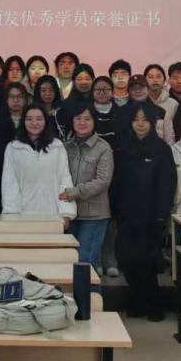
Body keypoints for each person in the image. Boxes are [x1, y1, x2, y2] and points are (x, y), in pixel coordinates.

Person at [111, 103, 178, 321]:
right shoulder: (122, 148)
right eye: (136, 120)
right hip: (126, 215)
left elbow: (167, 184)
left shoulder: (161, 149)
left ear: (152, 122)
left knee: (148, 262)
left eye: (145, 120)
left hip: (151, 216)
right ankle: (137, 302)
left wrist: (161, 215)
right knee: (127, 259)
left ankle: (154, 306)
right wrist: (115, 211)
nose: (140, 124)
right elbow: (115, 182)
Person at [64, 105, 114, 272]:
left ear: (94, 121)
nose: (82, 122)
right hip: (70, 213)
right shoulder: (65, 147)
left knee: (86, 263)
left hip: (94, 215)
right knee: (69, 261)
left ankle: (91, 290)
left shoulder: (103, 148)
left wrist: (75, 192)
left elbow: (103, 181)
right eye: (78, 118)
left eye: (87, 119)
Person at [1, 106, 76, 218]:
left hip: (53, 213)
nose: (34, 123)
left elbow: (64, 180)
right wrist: (11, 213)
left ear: (46, 121)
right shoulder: (13, 148)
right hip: (22, 214)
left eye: (39, 119)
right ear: (23, 121)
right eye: (29, 119)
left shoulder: (57, 146)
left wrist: (66, 213)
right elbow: (9, 183)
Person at [117, 74, 168, 143]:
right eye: (134, 88)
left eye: (141, 87)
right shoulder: (121, 112)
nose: (138, 91)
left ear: (148, 89)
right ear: (128, 92)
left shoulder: (159, 111)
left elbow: (162, 136)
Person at [145, 63, 179, 142]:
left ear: (164, 80)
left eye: (158, 76)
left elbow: (174, 134)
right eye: (150, 77)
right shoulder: (140, 103)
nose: (155, 80)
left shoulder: (173, 104)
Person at [90, 75, 121, 147]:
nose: (101, 93)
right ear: (92, 92)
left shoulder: (121, 112)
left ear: (112, 92)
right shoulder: (86, 112)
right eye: (98, 89)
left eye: (106, 89)